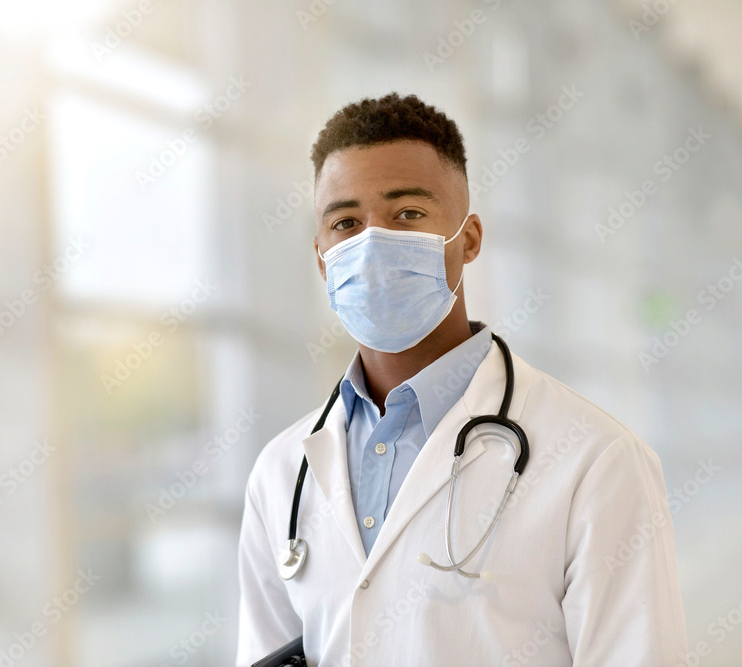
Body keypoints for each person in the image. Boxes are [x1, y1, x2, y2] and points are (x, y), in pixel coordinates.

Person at [235, 93, 687, 666]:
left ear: (469, 238)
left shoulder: (597, 462)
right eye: (345, 222)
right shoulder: (281, 475)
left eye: (407, 214)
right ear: (323, 256)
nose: (372, 241)